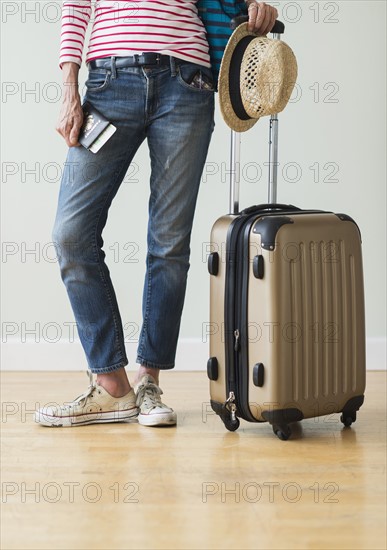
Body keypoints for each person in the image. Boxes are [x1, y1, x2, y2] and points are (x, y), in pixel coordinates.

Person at [35, 0, 278, 428]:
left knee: (169, 244)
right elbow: (75, 7)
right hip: (110, 82)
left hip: (188, 82)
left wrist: (254, 6)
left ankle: (149, 381)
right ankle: (111, 386)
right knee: (71, 234)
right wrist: (68, 89)